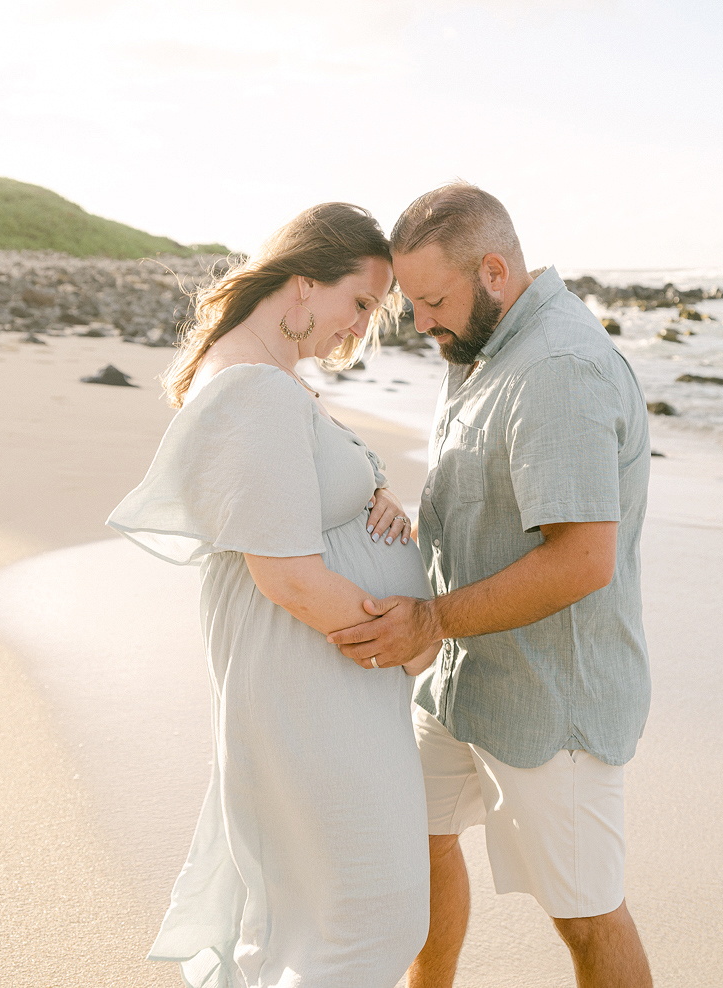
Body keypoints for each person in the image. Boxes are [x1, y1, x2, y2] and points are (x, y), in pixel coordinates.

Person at [328, 184, 655, 988]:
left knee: (585, 917)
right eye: (412, 305)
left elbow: (582, 560)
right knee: (420, 842)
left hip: (551, 702)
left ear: (496, 270)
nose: (424, 322)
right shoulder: (481, 345)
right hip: (460, 680)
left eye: (434, 301)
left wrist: (429, 618)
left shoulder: (559, 369)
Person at [106, 202, 440, 988]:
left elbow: (292, 502)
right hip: (311, 685)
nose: (360, 330)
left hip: (319, 681)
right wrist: (412, 637)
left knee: (310, 919)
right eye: (359, 303)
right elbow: (286, 575)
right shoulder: (254, 389)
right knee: (369, 917)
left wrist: (373, 495)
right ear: (301, 285)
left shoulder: (261, 381)